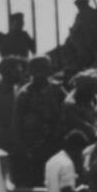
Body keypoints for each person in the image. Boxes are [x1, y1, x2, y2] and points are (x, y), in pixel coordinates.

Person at [12, 55, 64, 184]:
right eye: (37, 69)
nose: (41, 72)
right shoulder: (24, 93)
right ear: (31, 71)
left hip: (54, 141)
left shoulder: (57, 89)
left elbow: (66, 110)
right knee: (36, 177)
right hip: (32, 144)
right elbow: (17, 122)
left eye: (45, 68)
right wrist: (22, 146)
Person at [64, 0, 97, 66]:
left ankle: (80, 61)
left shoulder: (81, 16)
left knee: (69, 40)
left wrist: (71, 31)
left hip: (91, 43)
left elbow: (74, 29)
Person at [61, 69, 97, 140]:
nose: (94, 90)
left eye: (95, 87)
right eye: (90, 87)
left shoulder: (92, 96)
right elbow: (84, 127)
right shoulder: (70, 104)